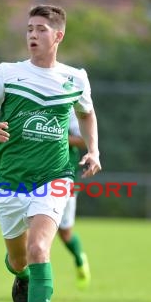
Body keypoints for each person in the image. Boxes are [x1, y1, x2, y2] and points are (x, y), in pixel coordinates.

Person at [0, 4, 101, 302]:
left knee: (41, 249)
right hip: (10, 180)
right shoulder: (7, 73)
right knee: (19, 258)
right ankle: (19, 275)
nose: (32, 34)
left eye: (41, 29)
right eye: (29, 28)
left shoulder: (75, 78)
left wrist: (94, 151)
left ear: (58, 36)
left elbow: (87, 115)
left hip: (54, 178)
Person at [58, 110, 91, 289]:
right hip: (34, 177)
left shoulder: (68, 107)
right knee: (32, 230)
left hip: (65, 178)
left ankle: (79, 259)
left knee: (65, 234)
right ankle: (32, 282)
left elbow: (83, 139)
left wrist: (55, 138)